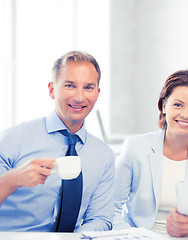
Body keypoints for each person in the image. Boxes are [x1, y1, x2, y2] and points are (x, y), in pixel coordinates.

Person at [0, 50, 115, 231]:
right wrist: (14, 178)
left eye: (88, 87)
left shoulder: (104, 156)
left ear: (97, 93)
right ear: (52, 90)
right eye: (70, 85)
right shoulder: (11, 140)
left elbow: (100, 218)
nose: (79, 97)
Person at [113, 69, 188, 234]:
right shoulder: (135, 147)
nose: (186, 115)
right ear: (164, 106)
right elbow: (111, 208)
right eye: (178, 105)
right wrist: (133, 236)